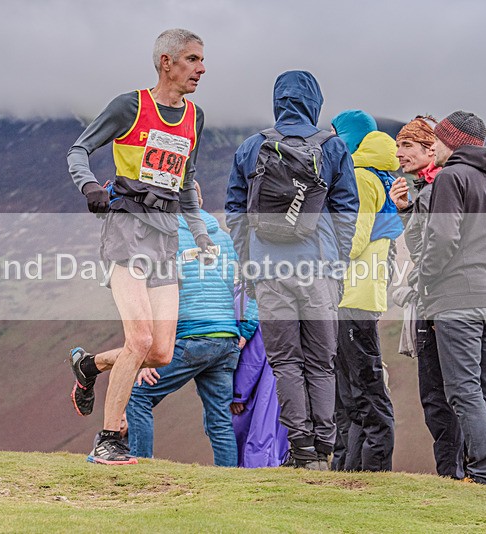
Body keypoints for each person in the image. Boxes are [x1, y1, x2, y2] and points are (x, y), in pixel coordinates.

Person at [66, 29, 214, 465]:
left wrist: (201, 234)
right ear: (166, 62)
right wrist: (90, 185)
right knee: (140, 337)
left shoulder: (194, 117)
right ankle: (109, 439)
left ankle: (89, 366)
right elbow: (78, 150)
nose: (201, 69)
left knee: (162, 351)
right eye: (192, 59)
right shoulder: (129, 106)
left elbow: (185, 183)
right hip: (127, 227)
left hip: (166, 235)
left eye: (203, 60)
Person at [225, 70, 358, 470]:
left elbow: (235, 212)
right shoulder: (332, 148)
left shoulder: (252, 147)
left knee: (285, 362)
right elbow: (346, 213)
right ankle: (323, 450)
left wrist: (249, 260)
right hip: (318, 270)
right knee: (321, 362)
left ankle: (299, 449)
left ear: (277, 100)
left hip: (269, 271)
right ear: (314, 101)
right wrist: (337, 266)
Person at [418, 111, 486, 487]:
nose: (433, 147)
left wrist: (426, 277)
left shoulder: (450, 177)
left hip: (457, 302)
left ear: (454, 142)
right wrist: (481, 265)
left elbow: (443, 238)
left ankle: (480, 476)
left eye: (438, 140)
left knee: (462, 390)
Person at [125, 184, 257, 467]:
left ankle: (140, 468)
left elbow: (153, 296)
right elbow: (249, 289)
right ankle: (228, 485)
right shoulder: (224, 238)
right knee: (220, 420)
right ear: (201, 199)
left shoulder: (164, 238)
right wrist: (243, 332)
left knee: (138, 396)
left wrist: (150, 353)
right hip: (226, 340)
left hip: (192, 337)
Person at [390, 115, 466, 480]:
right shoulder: (426, 188)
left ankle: (456, 474)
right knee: (442, 395)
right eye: (398, 144)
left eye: (407, 145)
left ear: (430, 148)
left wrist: (421, 282)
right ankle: (456, 473)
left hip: (441, 303)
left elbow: (434, 250)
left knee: (443, 396)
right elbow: (422, 245)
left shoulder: (440, 188)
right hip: (439, 300)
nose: (399, 152)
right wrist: (407, 211)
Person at [329, 110, 402, 472]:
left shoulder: (359, 177)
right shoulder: (381, 176)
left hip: (352, 296)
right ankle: (349, 472)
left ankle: (372, 474)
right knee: (354, 393)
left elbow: (352, 241)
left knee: (364, 391)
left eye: (336, 133)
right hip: (364, 296)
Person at [230, 306, 290, 468]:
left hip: (254, 394)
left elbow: (251, 360)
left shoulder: (248, 305)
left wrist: (238, 394)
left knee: (256, 444)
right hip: (281, 390)